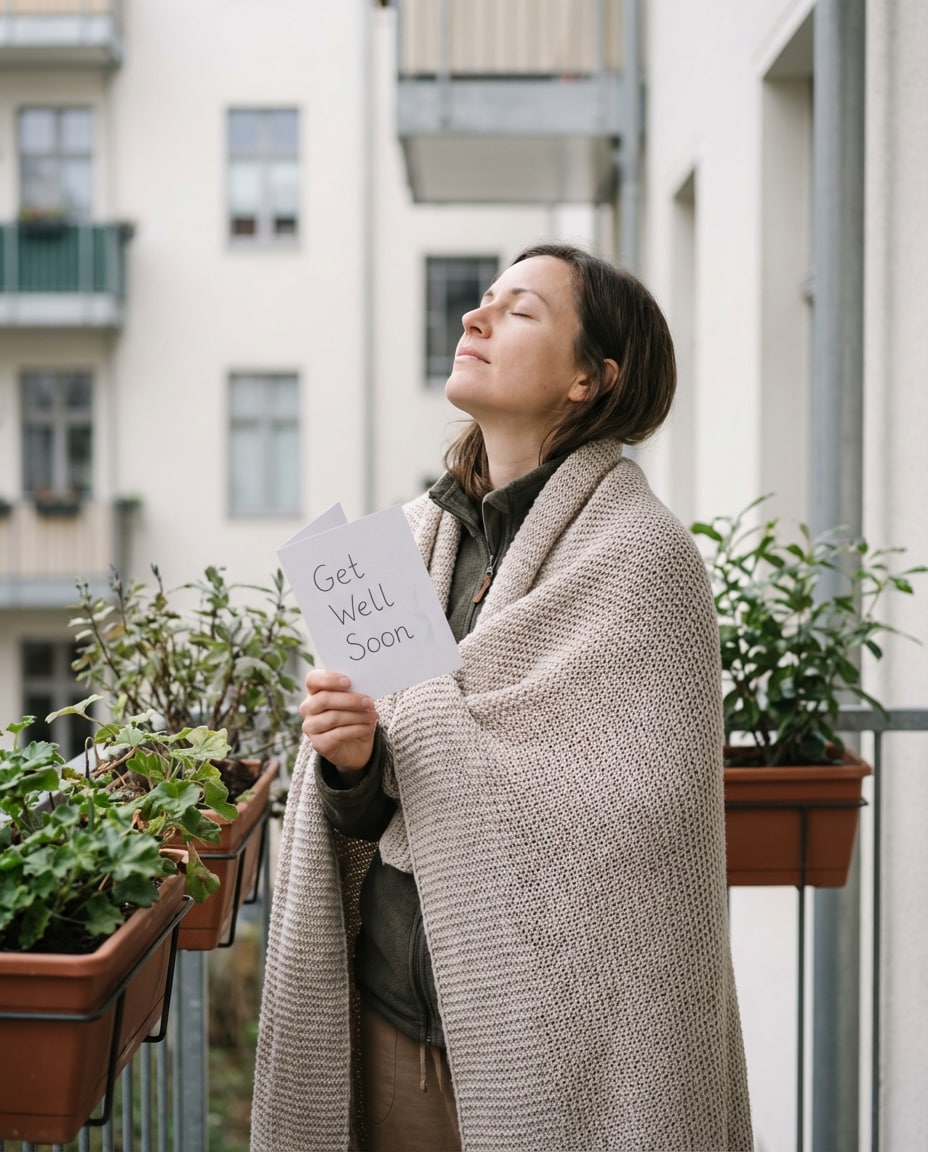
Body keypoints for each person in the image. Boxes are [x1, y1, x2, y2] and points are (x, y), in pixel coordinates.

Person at [251, 243, 753, 1151]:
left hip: (574, 1051)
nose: (476, 318)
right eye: (482, 300)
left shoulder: (645, 560)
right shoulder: (403, 545)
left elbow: (643, 824)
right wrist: (352, 759)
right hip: (394, 1025)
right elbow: (382, 811)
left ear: (592, 379)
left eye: (520, 310)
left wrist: (426, 733)